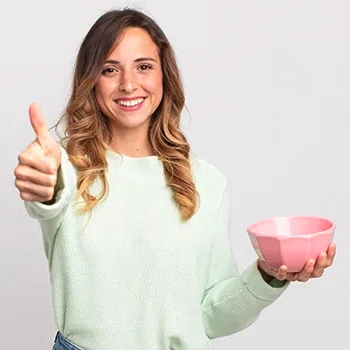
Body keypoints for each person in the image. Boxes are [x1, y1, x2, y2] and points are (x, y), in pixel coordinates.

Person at [14, 8, 336, 350]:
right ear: (91, 80)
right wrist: (44, 186)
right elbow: (49, 197)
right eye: (110, 69)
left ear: (164, 76)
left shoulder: (206, 182)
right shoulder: (65, 167)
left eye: (143, 66)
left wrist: (270, 274)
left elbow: (212, 317)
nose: (128, 84)